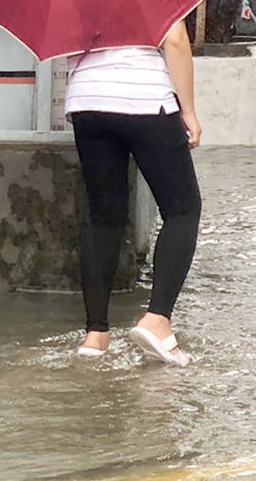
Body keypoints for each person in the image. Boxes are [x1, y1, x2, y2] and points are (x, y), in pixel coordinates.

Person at [65, 20, 203, 365]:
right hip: (145, 97)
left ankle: (95, 335)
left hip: (87, 101)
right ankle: (157, 318)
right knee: (183, 210)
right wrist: (188, 110)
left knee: (104, 217)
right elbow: (175, 40)